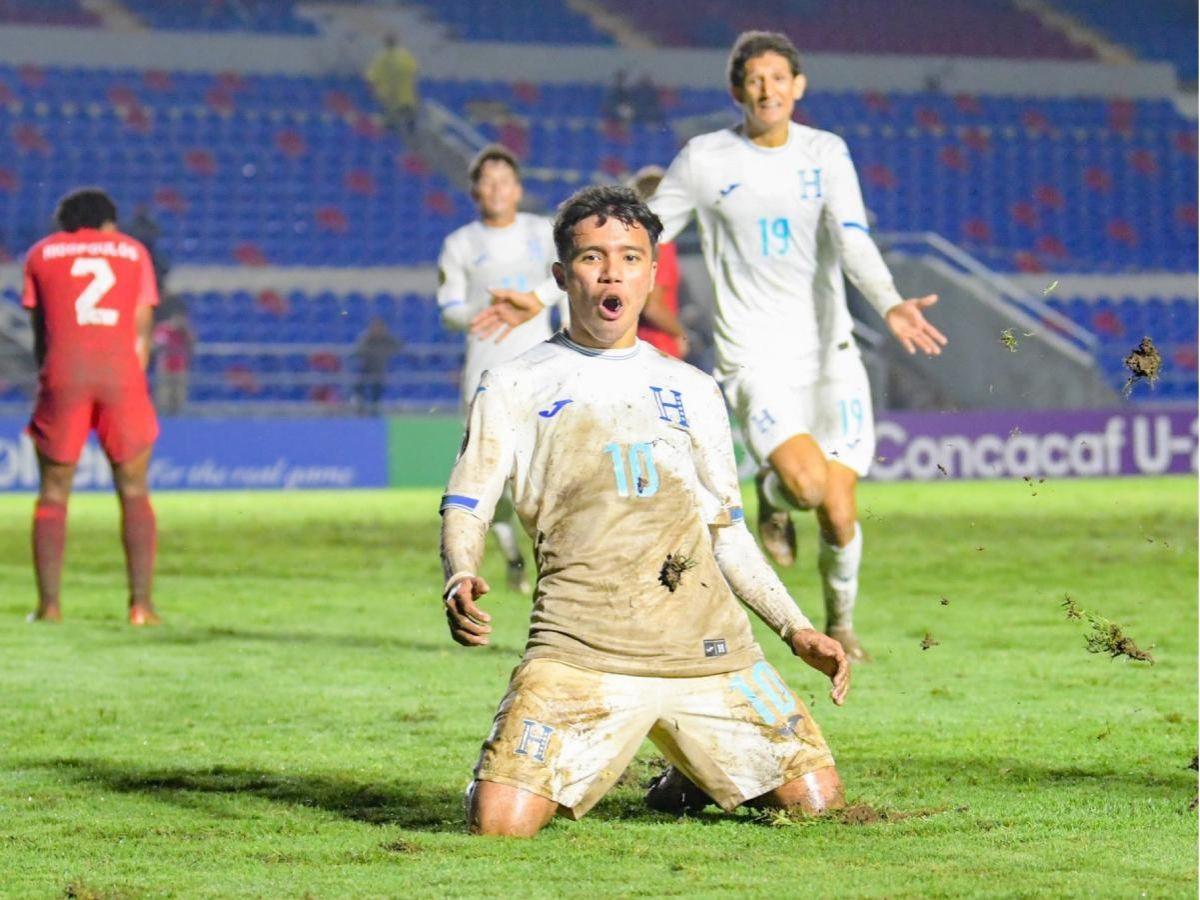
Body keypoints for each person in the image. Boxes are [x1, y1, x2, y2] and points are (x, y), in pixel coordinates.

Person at [472, 31, 947, 662]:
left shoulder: (826, 153)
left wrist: (889, 302)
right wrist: (541, 293)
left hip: (831, 357)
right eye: (755, 79)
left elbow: (853, 238)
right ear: (736, 89)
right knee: (808, 486)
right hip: (755, 357)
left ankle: (840, 620)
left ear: (798, 86)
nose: (767, 90)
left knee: (837, 510)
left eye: (779, 78)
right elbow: (640, 232)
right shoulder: (706, 159)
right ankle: (778, 494)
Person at [439, 185, 849, 837]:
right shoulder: (514, 383)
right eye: (592, 257)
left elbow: (727, 533)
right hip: (580, 649)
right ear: (561, 276)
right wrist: (461, 572)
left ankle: (694, 772)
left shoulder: (695, 389)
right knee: (499, 825)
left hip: (709, 650)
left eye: (630, 258)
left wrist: (795, 630)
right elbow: (468, 501)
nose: (612, 273)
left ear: (651, 275)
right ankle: (665, 762)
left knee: (817, 803)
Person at [22, 188, 161, 625]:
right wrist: (130, 380)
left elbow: (41, 331)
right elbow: (141, 330)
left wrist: (52, 376)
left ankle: (49, 607)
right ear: (107, 222)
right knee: (134, 489)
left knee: (53, 491)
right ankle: (141, 607)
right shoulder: (133, 252)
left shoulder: (41, 254)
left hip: (65, 372)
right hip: (121, 374)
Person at [436, 144, 567, 594]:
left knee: (545, 471)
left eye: (504, 181)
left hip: (542, 369)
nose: (496, 189)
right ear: (475, 191)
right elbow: (448, 309)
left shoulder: (542, 231)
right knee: (492, 474)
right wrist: (481, 309)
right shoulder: (460, 243)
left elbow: (566, 280)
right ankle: (512, 554)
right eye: (487, 182)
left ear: (517, 189)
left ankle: (552, 562)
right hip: (485, 371)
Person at [629, 166, 688, 359]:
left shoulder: (632, 244)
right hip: (659, 347)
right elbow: (652, 308)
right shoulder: (661, 245)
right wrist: (681, 333)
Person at [365, 33, 419, 134]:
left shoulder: (381, 58)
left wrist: (372, 88)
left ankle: (392, 130)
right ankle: (409, 131)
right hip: (405, 95)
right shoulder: (405, 55)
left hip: (390, 96)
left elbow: (371, 77)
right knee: (408, 116)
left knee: (392, 118)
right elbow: (414, 70)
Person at [352, 316, 400, 415]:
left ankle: (375, 409)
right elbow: (359, 351)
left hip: (380, 369)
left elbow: (399, 346)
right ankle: (360, 406)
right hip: (366, 367)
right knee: (359, 385)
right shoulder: (366, 338)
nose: (377, 330)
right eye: (374, 327)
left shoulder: (388, 338)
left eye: (379, 327)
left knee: (377, 387)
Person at [152, 308, 194, 415]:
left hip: (180, 365)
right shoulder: (163, 329)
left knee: (179, 392)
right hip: (165, 364)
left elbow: (191, 343)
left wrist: (185, 331)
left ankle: (178, 413)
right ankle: (162, 414)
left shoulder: (184, 331)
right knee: (163, 392)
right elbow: (158, 344)